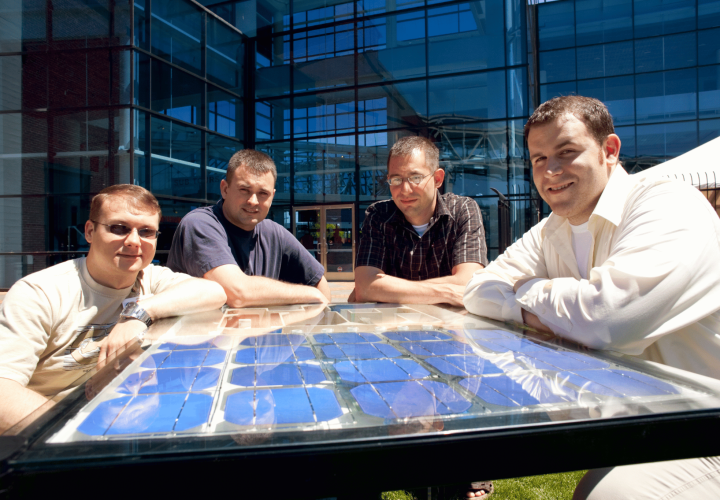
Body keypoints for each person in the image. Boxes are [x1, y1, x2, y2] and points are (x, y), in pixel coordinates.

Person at [463, 95, 720, 500]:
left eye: (567, 152)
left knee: (607, 496)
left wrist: (527, 290)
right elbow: (477, 291)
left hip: (703, 424)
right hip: (633, 416)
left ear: (610, 151)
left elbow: (607, 319)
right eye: (538, 158)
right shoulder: (553, 229)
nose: (551, 171)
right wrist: (554, 310)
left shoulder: (669, 205)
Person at [0, 185, 227, 433]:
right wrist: (71, 435)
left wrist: (139, 314)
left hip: (117, 414)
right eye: (119, 228)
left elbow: (214, 292)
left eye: (146, 232)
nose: (133, 241)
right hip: (45, 431)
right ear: (89, 231)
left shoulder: (149, 278)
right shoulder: (40, 293)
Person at [167, 149, 331, 307]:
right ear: (225, 189)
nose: (253, 201)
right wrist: (310, 295)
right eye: (244, 190)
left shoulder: (274, 233)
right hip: (202, 334)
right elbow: (237, 294)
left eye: (263, 193)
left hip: (257, 334)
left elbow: (320, 286)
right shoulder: (200, 224)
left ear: (272, 196)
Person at [351, 136, 488, 307]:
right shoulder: (378, 215)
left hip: (449, 327)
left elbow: (468, 284)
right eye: (396, 179)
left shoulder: (462, 210)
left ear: (437, 179)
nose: (405, 190)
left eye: (415, 177)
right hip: (394, 328)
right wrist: (446, 292)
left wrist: (384, 289)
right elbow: (365, 288)